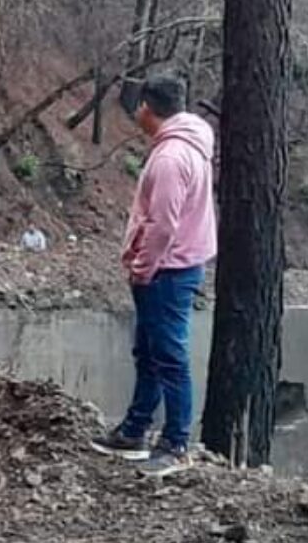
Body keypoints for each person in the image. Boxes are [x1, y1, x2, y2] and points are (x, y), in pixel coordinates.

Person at [86, 73, 217, 478]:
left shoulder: (170, 158)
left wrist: (143, 267)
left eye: (139, 105)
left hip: (168, 270)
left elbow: (163, 224)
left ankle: (176, 443)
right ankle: (135, 430)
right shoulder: (188, 146)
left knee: (169, 356)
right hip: (176, 266)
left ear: (148, 107)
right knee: (149, 352)